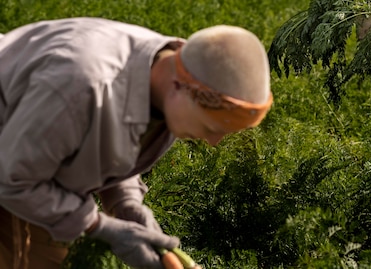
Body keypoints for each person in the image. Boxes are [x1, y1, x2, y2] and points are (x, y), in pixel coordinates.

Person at [0, 17, 273, 269]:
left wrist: (126, 205)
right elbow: (13, 181)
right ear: (179, 86)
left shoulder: (165, 74)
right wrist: (98, 225)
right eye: (210, 127)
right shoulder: (81, 88)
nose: (213, 142)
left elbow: (107, 140)